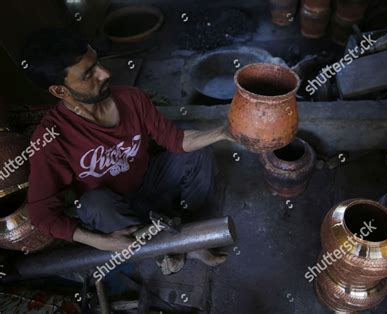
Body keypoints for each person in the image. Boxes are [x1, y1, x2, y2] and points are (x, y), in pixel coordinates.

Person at [22, 28, 233, 268]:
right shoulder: (51, 138)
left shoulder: (131, 98)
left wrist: (224, 132)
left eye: (98, 62)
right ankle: (164, 249)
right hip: (115, 213)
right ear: (60, 90)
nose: (105, 73)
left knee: (198, 153)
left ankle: (196, 237)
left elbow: (174, 140)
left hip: (150, 182)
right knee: (93, 204)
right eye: (89, 73)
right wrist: (99, 242)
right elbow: (41, 214)